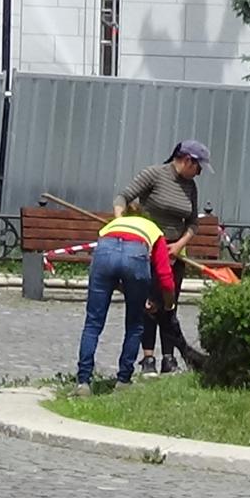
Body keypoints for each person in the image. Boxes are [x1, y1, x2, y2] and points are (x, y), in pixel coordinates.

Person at [113, 139, 212, 377]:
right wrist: (122, 226)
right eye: (198, 167)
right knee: (149, 305)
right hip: (147, 250)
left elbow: (193, 223)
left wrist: (178, 246)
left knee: (169, 305)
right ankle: (148, 358)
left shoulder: (190, 187)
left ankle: (169, 358)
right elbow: (122, 198)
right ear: (187, 160)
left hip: (173, 255)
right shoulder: (154, 175)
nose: (199, 173)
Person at [72, 204, 177, 396]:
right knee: (135, 324)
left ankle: (83, 382)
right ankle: (123, 380)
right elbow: (165, 275)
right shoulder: (153, 230)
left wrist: (132, 291)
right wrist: (168, 304)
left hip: (104, 252)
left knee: (93, 323)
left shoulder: (113, 225)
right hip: (136, 255)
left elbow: (111, 270)